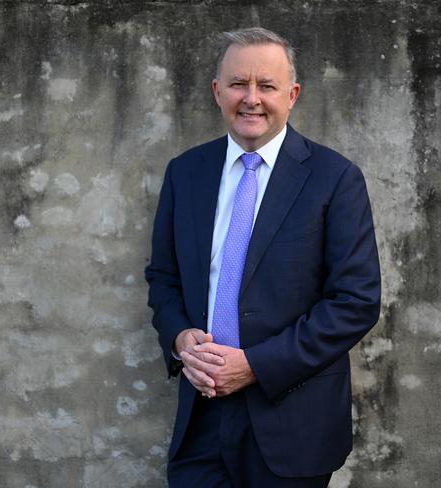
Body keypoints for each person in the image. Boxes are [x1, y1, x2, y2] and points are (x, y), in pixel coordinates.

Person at [145, 27, 381, 487]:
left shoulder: (335, 178)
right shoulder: (185, 172)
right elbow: (163, 276)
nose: (251, 98)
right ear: (217, 92)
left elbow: (355, 301)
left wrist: (254, 365)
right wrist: (179, 338)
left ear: (291, 95)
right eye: (238, 84)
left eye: (266, 86)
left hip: (292, 421)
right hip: (202, 417)